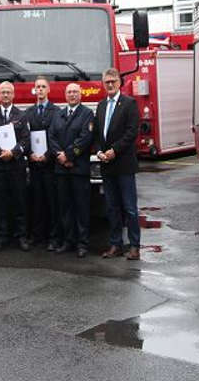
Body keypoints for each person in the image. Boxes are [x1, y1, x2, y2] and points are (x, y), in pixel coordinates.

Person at [92, 68, 141, 260]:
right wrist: (98, 151)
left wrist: (114, 150)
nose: (110, 85)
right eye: (107, 82)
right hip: (107, 165)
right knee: (111, 207)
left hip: (124, 165)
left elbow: (131, 132)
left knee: (129, 207)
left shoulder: (129, 104)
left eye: (113, 81)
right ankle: (115, 244)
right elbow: (96, 134)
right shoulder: (101, 105)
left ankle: (135, 246)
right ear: (103, 84)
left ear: (119, 83)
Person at [0, 81, 30, 252]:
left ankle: (21, 236)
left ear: (13, 95)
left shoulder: (22, 116)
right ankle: (0, 237)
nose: (5, 95)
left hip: (16, 165)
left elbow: (26, 139)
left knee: (20, 201)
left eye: (8, 92)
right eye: (2, 92)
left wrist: (14, 152)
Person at [48, 83, 94, 258]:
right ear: (65, 95)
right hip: (61, 169)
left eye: (75, 92)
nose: (72, 95)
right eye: (69, 92)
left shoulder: (87, 114)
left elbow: (85, 138)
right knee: (65, 207)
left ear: (80, 94)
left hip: (78, 168)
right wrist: (60, 156)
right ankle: (68, 241)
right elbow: (51, 137)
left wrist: (68, 156)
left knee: (81, 208)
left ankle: (82, 243)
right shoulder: (58, 114)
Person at [24, 76, 61, 251]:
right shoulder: (29, 112)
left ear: (48, 90)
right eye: (37, 87)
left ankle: (53, 237)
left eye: (43, 87)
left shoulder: (56, 111)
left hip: (50, 163)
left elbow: (56, 137)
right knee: (36, 201)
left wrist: (47, 155)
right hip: (34, 164)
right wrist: (30, 154)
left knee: (52, 202)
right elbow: (25, 137)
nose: (39, 90)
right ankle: (37, 236)